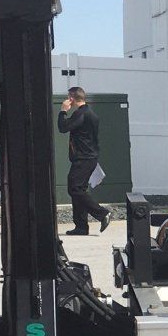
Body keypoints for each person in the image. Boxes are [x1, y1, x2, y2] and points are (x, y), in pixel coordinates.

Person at [57, 87, 111, 235]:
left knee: (74, 189)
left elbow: (63, 127)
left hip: (84, 158)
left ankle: (102, 213)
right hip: (88, 157)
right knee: (78, 189)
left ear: (72, 98)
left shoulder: (81, 114)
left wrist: (63, 111)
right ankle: (81, 226)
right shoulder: (89, 113)